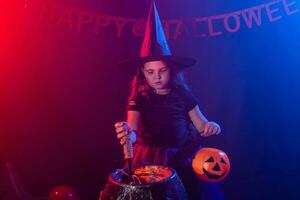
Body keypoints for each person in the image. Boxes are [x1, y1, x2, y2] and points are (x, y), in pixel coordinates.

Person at [114, 1, 224, 199]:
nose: (157, 76)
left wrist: (211, 126)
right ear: (143, 75)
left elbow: (201, 125)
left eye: (162, 71)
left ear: (170, 71)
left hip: (182, 156)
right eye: (151, 72)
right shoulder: (139, 99)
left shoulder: (183, 94)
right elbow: (133, 132)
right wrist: (127, 134)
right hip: (149, 160)